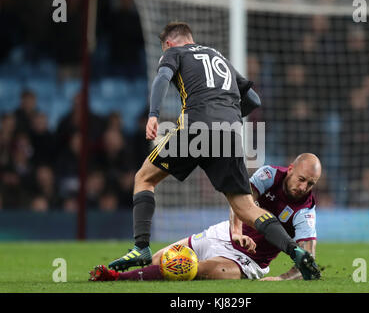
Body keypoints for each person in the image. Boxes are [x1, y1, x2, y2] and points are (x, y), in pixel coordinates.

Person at [107, 22, 320, 280]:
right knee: (246, 208)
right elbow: (254, 100)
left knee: (144, 178)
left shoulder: (174, 53)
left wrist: (154, 115)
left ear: (169, 43)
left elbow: (162, 78)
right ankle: (295, 251)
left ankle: (141, 247)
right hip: (229, 133)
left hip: (196, 127)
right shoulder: (220, 59)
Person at [90, 153, 321, 281]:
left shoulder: (305, 212)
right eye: (301, 179)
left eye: (310, 184)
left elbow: (306, 264)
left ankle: (115, 279)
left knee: (189, 268)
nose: (303, 187)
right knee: (159, 260)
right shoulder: (270, 175)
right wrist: (236, 232)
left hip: (245, 262)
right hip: (220, 234)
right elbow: (240, 203)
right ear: (291, 169)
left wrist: (280, 280)